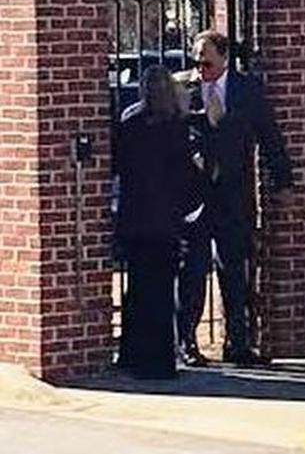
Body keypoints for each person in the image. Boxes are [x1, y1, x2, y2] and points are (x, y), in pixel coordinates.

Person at [178, 31, 293, 367]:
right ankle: (187, 343)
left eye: (208, 63)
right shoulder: (182, 88)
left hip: (233, 194)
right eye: (197, 62)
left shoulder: (246, 90)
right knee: (193, 272)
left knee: (235, 272)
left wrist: (282, 179)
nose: (201, 69)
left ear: (224, 58)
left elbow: (269, 134)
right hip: (194, 198)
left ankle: (238, 343)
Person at [114, 66, 201, 380]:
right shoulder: (175, 126)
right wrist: (190, 206)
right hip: (165, 220)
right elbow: (186, 176)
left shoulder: (130, 121)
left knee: (136, 289)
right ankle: (160, 362)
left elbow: (118, 163)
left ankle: (131, 354)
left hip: (135, 217)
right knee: (162, 292)